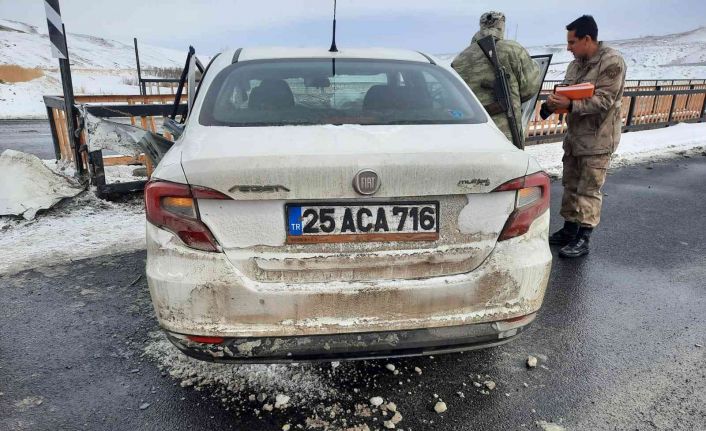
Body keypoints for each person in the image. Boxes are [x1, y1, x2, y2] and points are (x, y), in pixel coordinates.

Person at [544, 15, 626, 258]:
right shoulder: (575, 65)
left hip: (598, 138)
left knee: (589, 188)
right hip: (575, 137)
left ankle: (584, 237)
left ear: (587, 39)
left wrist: (570, 104)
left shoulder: (611, 62)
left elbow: (604, 100)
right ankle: (569, 229)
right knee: (570, 184)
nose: (568, 47)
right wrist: (553, 103)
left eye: (572, 42)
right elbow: (566, 91)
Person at [452, 11, 540, 146]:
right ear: (501, 27)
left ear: (481, 26)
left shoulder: (460, 59)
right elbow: (529, 89)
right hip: (505, 133)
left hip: (470, 133)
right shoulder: (513, 49)